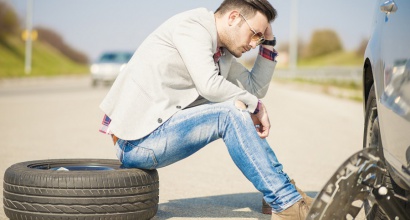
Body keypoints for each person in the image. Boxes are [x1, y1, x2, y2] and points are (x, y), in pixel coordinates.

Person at [99, 0, 312, 219]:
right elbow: (209, 85)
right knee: (229, 112)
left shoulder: (223, 53)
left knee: (237, 105)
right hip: (136, 142)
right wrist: (256, 107)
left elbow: (254, 89)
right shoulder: (193, 27)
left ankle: (283, 195)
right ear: (233, 18)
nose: (254, 43)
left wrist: (269, 42)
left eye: (259, 38)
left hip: (159, 131)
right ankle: (287, 204)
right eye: (255, 35)